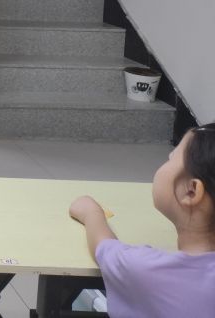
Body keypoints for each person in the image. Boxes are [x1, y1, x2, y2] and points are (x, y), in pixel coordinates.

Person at [69, 123, 215, 316]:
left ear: (191, 191)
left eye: (171, 158)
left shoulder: (145, 269)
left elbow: (103, 247)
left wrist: (91, 212)